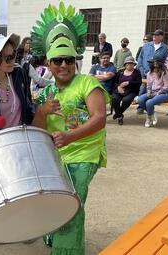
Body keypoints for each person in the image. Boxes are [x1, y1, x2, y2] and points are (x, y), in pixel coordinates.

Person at [33, 37, 109, 255]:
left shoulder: (87, 83)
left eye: (68, 60)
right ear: (49, 64)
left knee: (71, 204)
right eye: (58, 61)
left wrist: (70, 137)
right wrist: (41, 112)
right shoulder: (46, 93)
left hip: (85, 153)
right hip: (56, 157)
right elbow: (37, 130)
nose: (64, 65)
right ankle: (55, 234)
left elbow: (99, 118)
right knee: (54, 200)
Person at [138, 56, 168, 127]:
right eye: (153, 62)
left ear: (160, 63)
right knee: (140, 99)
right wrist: (149, 91)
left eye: (156, 62)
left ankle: (149, 118)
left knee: (148, 102)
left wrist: (157, 93)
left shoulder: (164, 73)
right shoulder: (149, 73)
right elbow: (148, 85)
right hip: (152, 91)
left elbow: (166, 86)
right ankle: (152, 113)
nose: (155, 63)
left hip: (164, 93)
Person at [111, 56, 142, 125]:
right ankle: (120, 116)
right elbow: (114, 82)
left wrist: (128, 82)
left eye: (131, 63)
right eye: (127, 64)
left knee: (126, 100)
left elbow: (139, 83)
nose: (129, 65)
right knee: (114, 99)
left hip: (131, 91)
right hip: (119, 90)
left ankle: (118, 114)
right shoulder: (120, 72)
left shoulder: (137, 72)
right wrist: (118, 87)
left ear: (134, 64)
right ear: (125, 64)